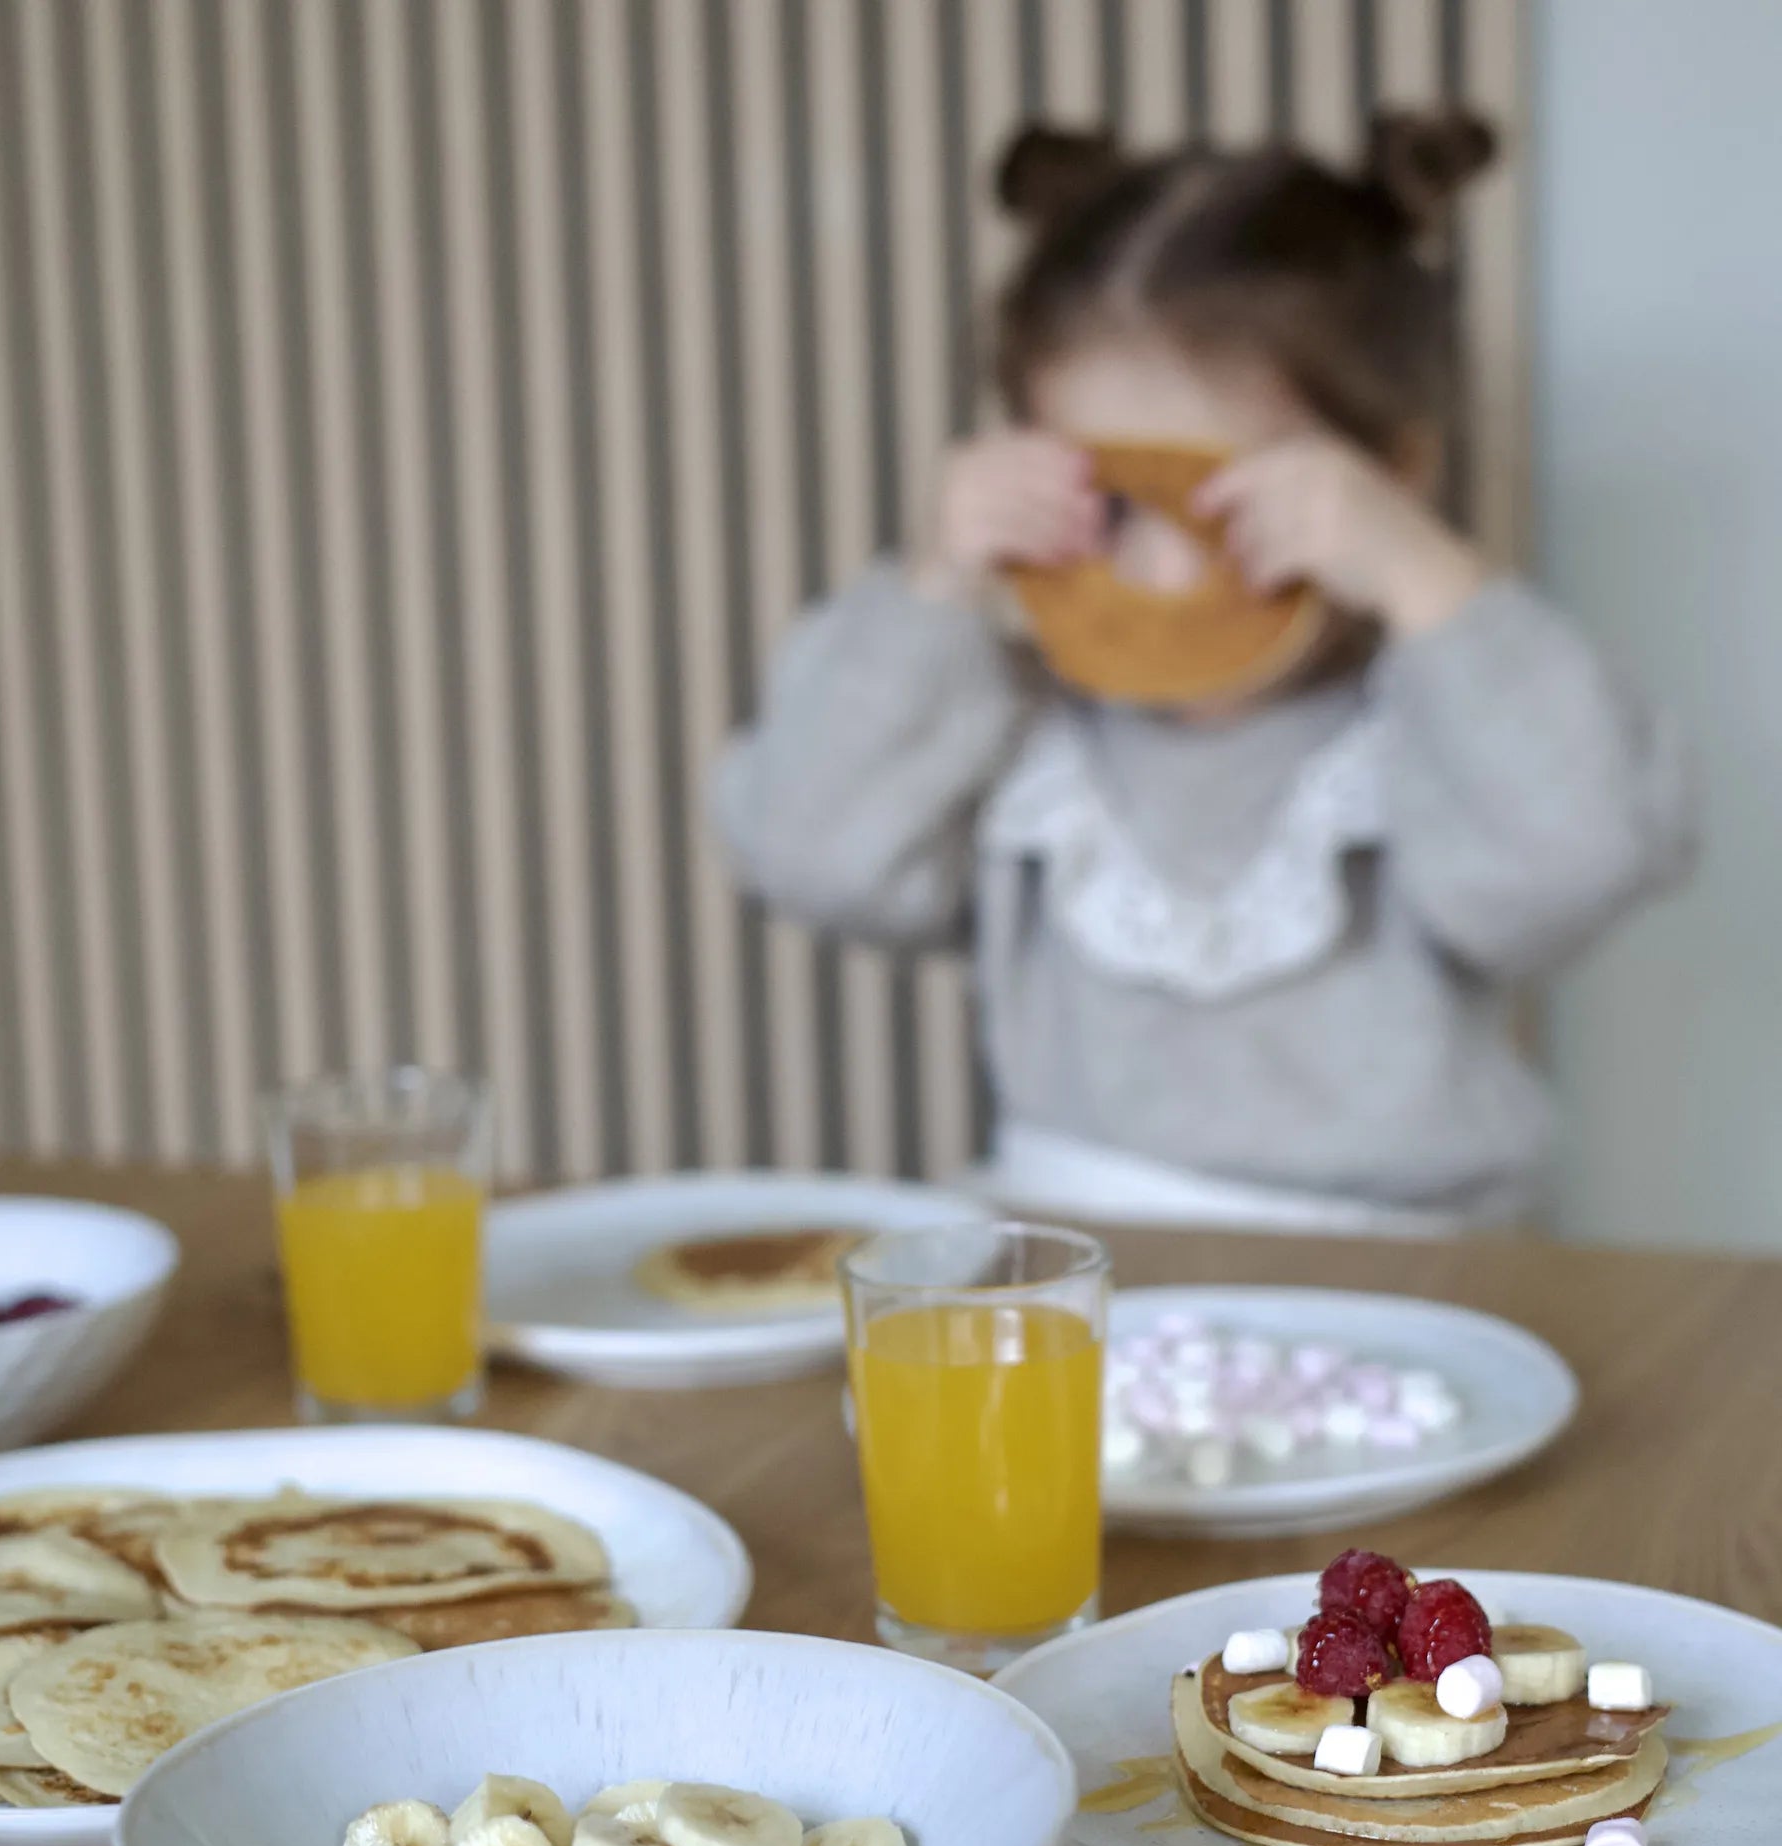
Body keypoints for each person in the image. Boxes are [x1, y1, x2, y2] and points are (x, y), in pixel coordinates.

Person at [714, 112, 1694, 1233]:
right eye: (1113, 506)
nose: (1165, 569)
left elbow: (1581, 862)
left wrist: (1428, 579)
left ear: (1392, 472)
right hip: (1076, 1262)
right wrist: (936, 586)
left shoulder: (1428, 727)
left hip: (1405, 1270)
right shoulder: (1011, 729)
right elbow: (807, 853)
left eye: (1221, 507)